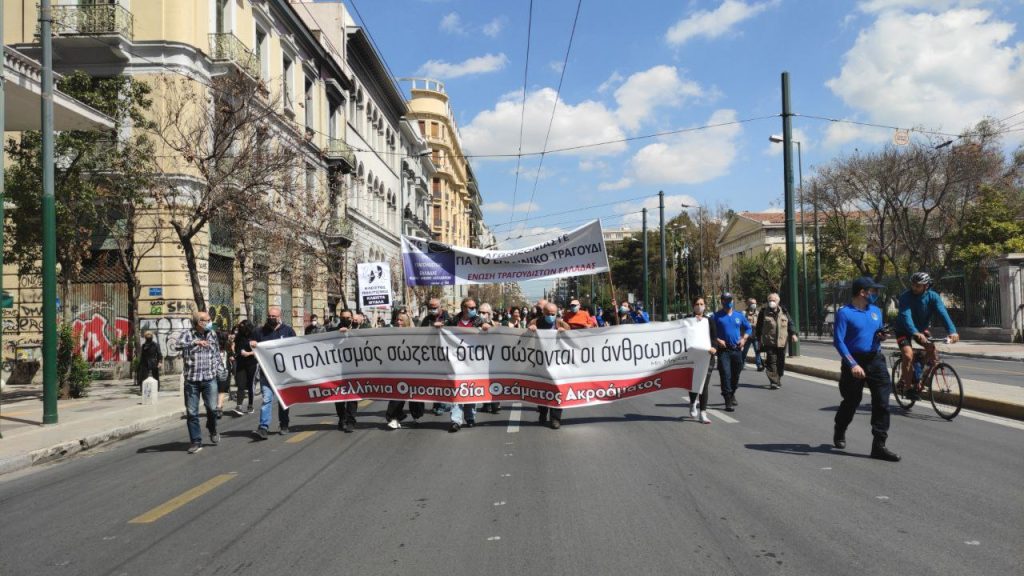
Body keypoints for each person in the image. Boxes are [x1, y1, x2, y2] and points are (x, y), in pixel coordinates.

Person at [833, 277, 900, 462]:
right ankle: (840, 428)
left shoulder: (876, 311)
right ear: (863, 292)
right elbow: (838, 341)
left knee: (882, 402)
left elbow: (876, 334)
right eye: (873, 291)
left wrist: (881, 336)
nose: (876, 294)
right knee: (852, 400)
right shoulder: (844, 313)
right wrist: (852, 364)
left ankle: (879, 445)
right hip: (854, 360)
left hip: (875, 360)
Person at [895, 272, 959, 398]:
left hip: (921, 329)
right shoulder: (905, 297)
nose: (914, 288)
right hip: (903, 329)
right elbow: (906, 316)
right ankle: (908, 389)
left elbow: (942, 313)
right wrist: (915, 332)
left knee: (931, 350)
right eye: (913, 285)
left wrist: (952, 331)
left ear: (926, 286)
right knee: (908, 355)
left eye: (918, 286)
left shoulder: (933, 297)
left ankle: (917, 375)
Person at [177, 311, 224, 454]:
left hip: (210, 378)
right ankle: (196, 441)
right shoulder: (187, 334)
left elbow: (216, 353)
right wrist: (194, 342)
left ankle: (212, 428)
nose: (210, 322)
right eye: (207, 320)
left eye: (210, 319)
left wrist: (221, 370)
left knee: (212, 408)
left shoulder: (212, 334)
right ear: (199, 322)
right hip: (192, 380)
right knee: (192, 412)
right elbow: (175, 345)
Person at [443, 298, 492, 431]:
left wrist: (487, 327)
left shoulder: (479, 321)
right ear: (464, 308)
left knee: (471, 389)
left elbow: (491, 333)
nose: (473, 310)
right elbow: (443, 331)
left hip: (473, 361)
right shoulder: (454, 321)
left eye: (474, 307)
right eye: (470, 307)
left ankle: (470, 417)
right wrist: (438, 326)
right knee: (457, 389)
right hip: (456, 360)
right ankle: (456, 420)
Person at [252, 307, 297, 439]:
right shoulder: (260, 331)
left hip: (283, 374)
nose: (271, 318)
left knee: (283, 400)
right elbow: (251, 344)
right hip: (267, 372)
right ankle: (263, 427)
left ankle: (284, 424)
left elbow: (295, 349)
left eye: (273, 316)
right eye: (269, 316)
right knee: (266, 399)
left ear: (279, 316)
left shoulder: (288, 331)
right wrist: (252, 344)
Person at [528, 302, 571, 429]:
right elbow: (524, 336)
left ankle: (555, 419)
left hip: (557, 362)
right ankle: (542, 413)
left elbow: (573, 337)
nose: (551, 316)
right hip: (540, 362)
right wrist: (530, 329)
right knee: (542, 389)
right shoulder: (535, 322)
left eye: (553, 314)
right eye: (548, 314)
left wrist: (565, 332)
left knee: (558, 390)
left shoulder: (560, 323)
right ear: (543, 313)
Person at [711, 292, 751, 412]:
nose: (728, 302)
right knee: (725, 375)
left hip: (737, 350)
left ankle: (732, 392)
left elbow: (748, 328)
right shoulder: (716, 316)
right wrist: (718, 340)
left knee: (735, 375)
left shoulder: (739, 315)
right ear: (722, 302)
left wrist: (744, 339)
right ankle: (727, 400)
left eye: (730, 300)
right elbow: (710, 332)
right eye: (725, 300)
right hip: (724, 350)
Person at [384, 312, 424, 429]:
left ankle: (415, 415)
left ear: (407, 321)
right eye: (397, 320)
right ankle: (394, 417)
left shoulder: (415, 334)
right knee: (397, 393)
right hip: (397, 369)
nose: (398, 322)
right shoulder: (390, 333)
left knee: (414, 394)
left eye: (401, 320)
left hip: (413, 369)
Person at [755, 293, 798, 390]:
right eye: (770, 300)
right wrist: (758, 340)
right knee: (771, 361)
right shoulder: (763, 312)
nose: (772, 302)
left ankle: (778, 378)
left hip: (782, 341)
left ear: (778, 301)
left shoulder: (784, 311)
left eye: (774, 300)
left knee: (780, 362)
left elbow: (790, 323)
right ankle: (774, 381)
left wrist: (793, 334)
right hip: (769, 341)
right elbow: (758, 327)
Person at [685, 297, 716, 424]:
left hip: (707, 357)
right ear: (693, 306)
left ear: (705, 306)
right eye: (697, 304)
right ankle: (693, 403)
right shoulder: (687, 320)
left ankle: (703, 412)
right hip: (692, 358)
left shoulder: (710, 321)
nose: (699, 306)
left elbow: (714, 337)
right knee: (693, 383)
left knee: (704, 384)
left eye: (701, 304)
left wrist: (714, 347)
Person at [333, 309, 361, 432]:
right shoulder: (333, 330)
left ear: (351, 318)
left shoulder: (357, 329)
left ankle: (351, 421)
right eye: (343, 317)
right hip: (337, 369)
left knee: (351, 395)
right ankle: (342, 418)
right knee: (338, 397)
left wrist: (350, 333)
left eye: (348, 317)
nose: (346, 319)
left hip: (353, 368)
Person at [231, 319, 258, 416]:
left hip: (252, 362)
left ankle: (250, 405)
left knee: (250, 384)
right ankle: (239, 406)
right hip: (241, 362)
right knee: (241, 385)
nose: (241, 329)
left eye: (243, 327)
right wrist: (236, 353)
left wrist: (249, 353)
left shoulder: (255, 335)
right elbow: (236, 347)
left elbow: (260, 348)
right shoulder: (239, 336)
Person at [742, 298, 765, 372]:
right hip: (747, 336)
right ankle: (741, 364)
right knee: (744, 352)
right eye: (752, 303)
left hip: (755, 336)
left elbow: (761, 324)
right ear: (748, 304)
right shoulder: (744, 313)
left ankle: (759, 365)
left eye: (755, 303)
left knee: (757, 351)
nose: (754, 305)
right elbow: (742, 324)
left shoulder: (758, 313)